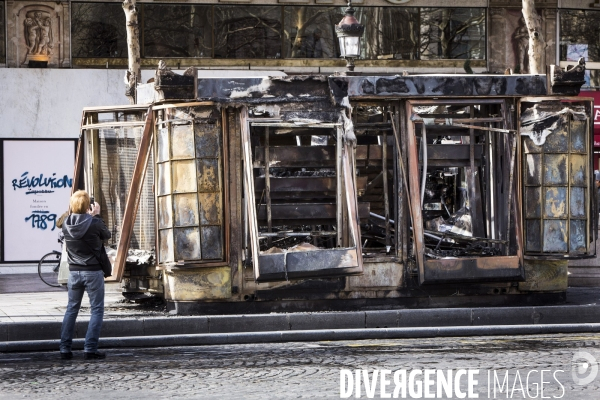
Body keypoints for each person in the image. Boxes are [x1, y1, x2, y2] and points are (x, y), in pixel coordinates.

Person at [59, 190, 111, 360]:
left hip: (74, 272)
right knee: (96, 310)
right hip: (93, 271)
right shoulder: (94, 223)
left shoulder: (66, 223)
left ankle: (65, 349)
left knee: (71, 309)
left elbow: (62, 222)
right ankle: (90, 348)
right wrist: (96, 216)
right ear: (88, 206)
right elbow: (107, 235)